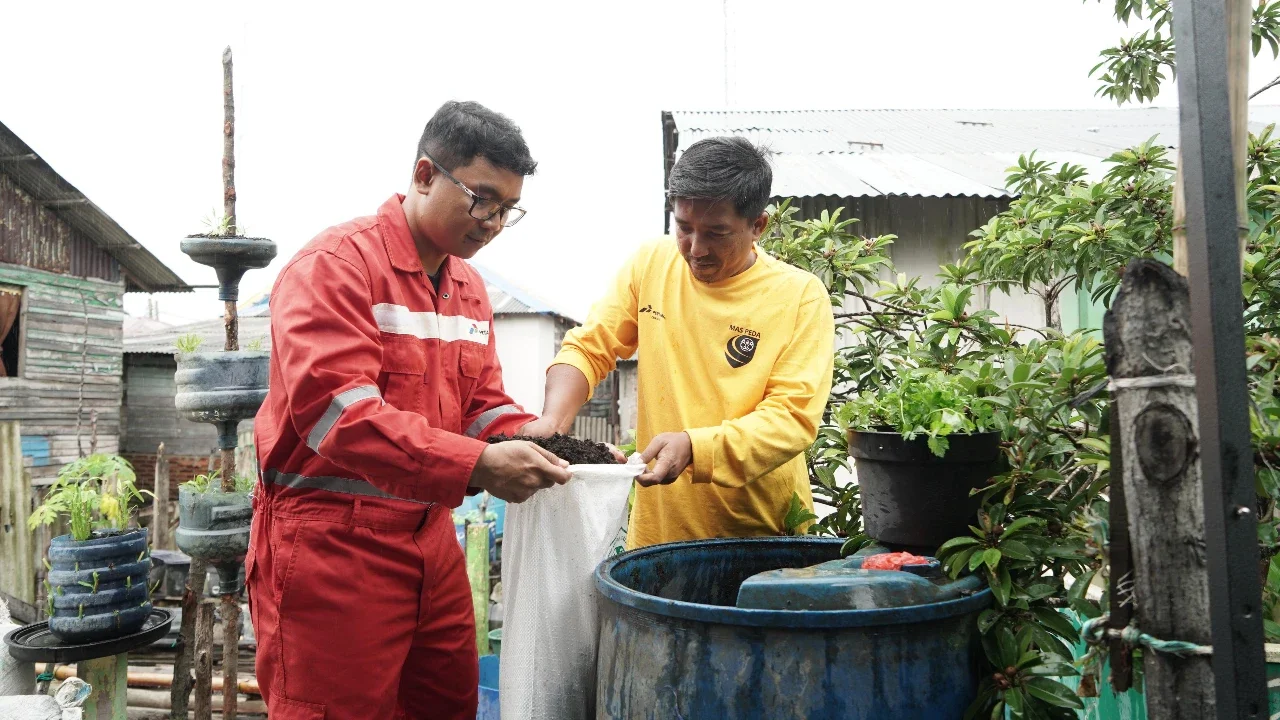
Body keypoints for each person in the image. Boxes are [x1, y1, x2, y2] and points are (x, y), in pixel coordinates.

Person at [247, 100, 571, 720]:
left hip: (430, 540)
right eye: (482, 199)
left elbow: (480, 406)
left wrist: (551, 444)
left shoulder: (469, 287)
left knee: (445, 705)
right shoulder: (335, 267)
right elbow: (338, 417)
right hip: (330, 546)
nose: (494, 222)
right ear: (424, 174)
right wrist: (479, 464)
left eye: (508, 209)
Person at [525, 136, 835, 550]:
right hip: (660, 532)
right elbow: (590, 346)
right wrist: (553, 423)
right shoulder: (652, 263)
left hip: (761, 535)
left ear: (758, 225)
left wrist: (696, 447)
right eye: (684, 228)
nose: (696, 249)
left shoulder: (800, 296)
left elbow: (791, 420)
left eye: (717, 233)